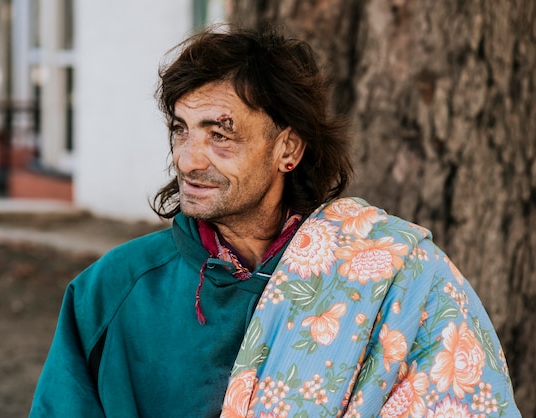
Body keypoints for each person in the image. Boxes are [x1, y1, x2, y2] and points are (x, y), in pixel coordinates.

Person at [29, 26, 520, 417]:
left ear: (288, 148)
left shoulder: (386, 275)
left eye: (221, 135)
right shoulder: (111, 290)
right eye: (181, 130)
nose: (189, 159)